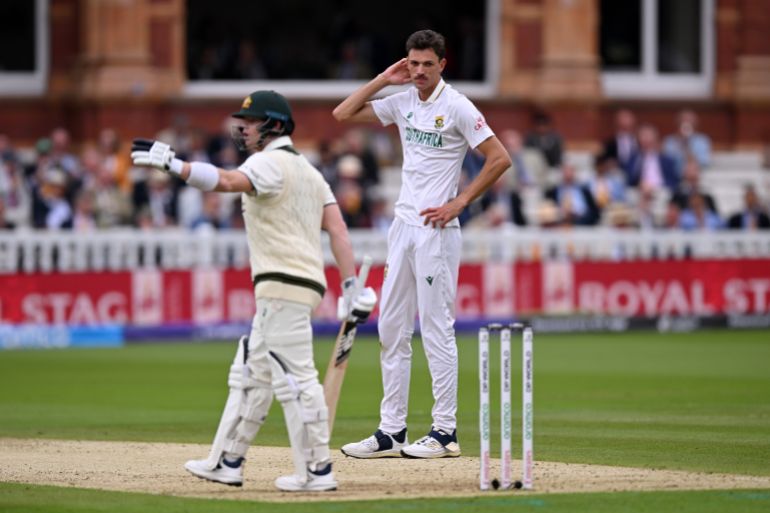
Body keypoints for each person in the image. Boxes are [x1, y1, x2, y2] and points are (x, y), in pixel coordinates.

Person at [130, 90, 377, 492]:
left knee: (295, 378)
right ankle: (226, 461)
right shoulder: (312, 174)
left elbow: (227, 181)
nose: (242, 128)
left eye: (251, 121)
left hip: (283, 284)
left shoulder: (267, 163)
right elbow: (338, 231)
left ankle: (316, 471)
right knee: (250, 374)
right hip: (298, 285)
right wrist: (350, 286)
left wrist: (177, 166)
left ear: (275, 125)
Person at [332, 29, 512, 459]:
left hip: (436, 231)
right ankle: (391, 430)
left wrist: (460, 202)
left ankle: (445, 431)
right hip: (403, 228)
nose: (419, 71)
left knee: (435, 328)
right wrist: (383, 78)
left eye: (427, 65)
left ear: (442, 65)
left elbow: (500, 157)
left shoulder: (457, 106)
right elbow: (343, 113)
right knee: (391, 327)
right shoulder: (404, 98)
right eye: (413, 63)